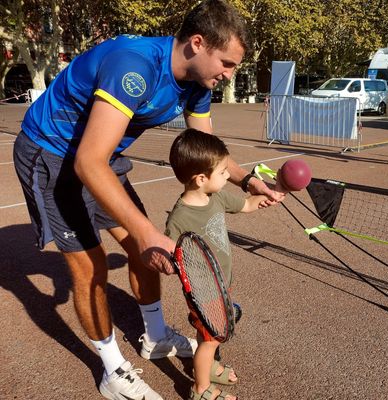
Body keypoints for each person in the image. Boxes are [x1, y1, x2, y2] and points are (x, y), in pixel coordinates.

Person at [12, 1, 282, 399]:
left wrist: (246, 181)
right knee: (92, 267)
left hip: (101, 155)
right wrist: (148, 234)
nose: (228, 74)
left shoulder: (196, 82)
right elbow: (88, 161)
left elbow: (209, 150)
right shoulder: (134, 66)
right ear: (197, 43)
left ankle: (154, 338)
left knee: (141, 248)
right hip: (51, 153)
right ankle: (111, 371)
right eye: (226, 63)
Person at [166, 129, 278, 400]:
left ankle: (209, 367)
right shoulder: (179, 219)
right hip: (203, 294)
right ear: (201, 179)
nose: (229, 176)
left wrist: (272, 194)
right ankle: (200, 388)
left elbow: (247, 205)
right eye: (223, 172)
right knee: (209, 339)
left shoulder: (215, 197)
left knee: (209, 336)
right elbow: (172, 256)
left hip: (220, 284)